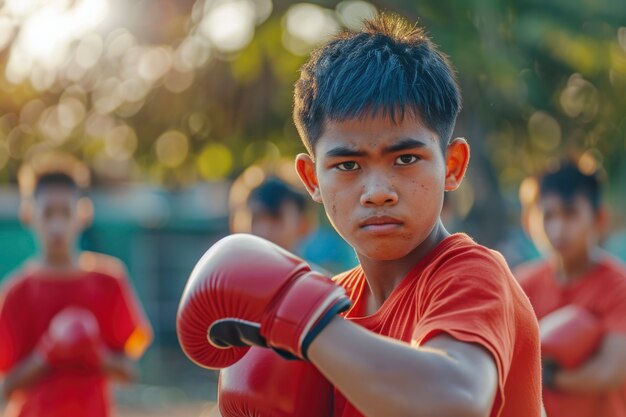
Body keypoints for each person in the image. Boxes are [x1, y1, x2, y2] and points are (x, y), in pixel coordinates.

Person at [177, 13, 542, 417]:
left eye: (406, 158)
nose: (378, 192)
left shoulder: (471, 275)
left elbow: (455, 402)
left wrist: (296, 314)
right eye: (348, 165)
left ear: (452, 165)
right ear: (311, 179)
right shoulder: (333, 306)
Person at [0, 153, 153, 417]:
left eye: (65, 212)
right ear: (29, 215)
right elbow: (5, 386)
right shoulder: (16, 292)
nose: (57, 225)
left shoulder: (110, 280)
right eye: (48, 213)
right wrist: (46, 354)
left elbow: (131, 372)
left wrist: (96, 354)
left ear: (83, 214)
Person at [515, 161, 626, 417]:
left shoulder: (619, 287)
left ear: (598, 219)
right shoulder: (522, 285)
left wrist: (547, 375)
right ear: (530, 221)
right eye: (548, 216)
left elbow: (609, 372)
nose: (558, 229)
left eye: (570, 213)